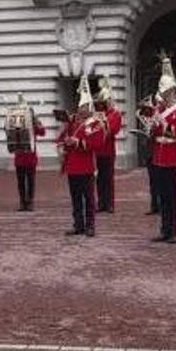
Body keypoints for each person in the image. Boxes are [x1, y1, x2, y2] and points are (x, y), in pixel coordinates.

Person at [149, 56, 176, 243]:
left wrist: (164, 124)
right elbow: (154, 133)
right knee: (163, 197)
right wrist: (152, 123)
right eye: (163, 93)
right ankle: (165, 229)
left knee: (174, 198)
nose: (164, 97)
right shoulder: (159, 109)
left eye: (167, 93)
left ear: (174, 91)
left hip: (173, 156)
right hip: (159, 156)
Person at [59, 76, 108, 237]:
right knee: (76, 198)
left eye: (84, 106)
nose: (81, 110)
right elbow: (62, 138)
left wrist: (77, 142)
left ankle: (90, 225)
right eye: (80, 106)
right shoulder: (72, 122)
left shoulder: (95, 123)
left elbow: (97, 142)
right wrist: (64, 142)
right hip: (72, 165)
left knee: (88, 198)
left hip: (86, 165)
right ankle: (78, 224)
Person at [93, 75, 124, 213]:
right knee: (99, 178)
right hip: (97, 150)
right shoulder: (98, 114)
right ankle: (101, 203)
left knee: (108, 178)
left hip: (108, 150)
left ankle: (110, 203)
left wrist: (102, 125)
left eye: (104, 101)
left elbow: (113, 129)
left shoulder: (115, 114)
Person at [11, 93, 46, 212]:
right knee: (20, 180)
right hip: (20, 155)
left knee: (30, 180)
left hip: (30, 155)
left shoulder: (32, 123)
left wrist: (36, 121)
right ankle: (22, 201)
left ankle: (30, 201)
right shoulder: (16, 123)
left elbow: (42, 132)